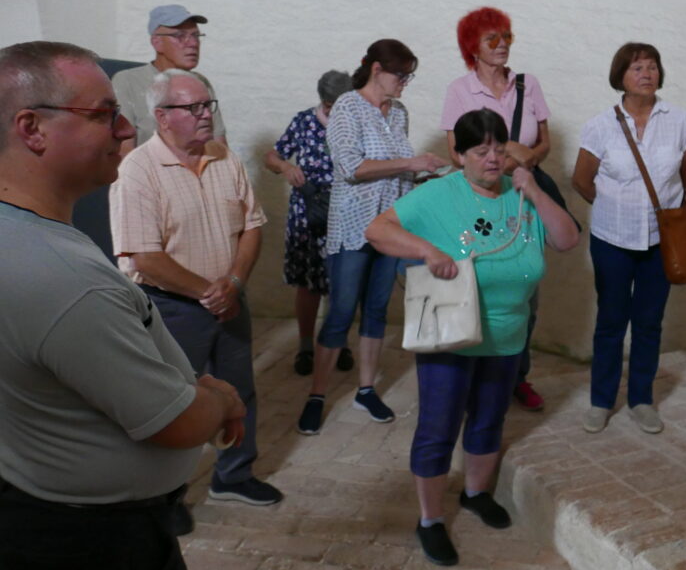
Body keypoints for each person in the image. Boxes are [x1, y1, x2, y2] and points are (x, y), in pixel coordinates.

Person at [0, 41, 246, 570]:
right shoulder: (62, 278)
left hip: (38, 507)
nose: (126, 127)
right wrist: (219, 398)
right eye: (104, 114)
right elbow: (173, 423)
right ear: (32, 128)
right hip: (95, 544)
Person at [365, 109, 578, 566]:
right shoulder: (439, 193)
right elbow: (377, 230)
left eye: (499, 149)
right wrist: (427, 250)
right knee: (439, 425)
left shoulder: (522, 193)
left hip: (509, 332)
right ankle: (430, 520)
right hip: (452, 336)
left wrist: (536, 191)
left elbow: (566, 240)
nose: (493, 158)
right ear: (459, 155)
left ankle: (476, 493)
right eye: (481, 151)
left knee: (489, 418)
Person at [110, 69, 282, 511]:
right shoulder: (137, 170)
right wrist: (211, 292)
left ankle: (234, 475)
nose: (206, 114)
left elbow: (252, 226)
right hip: (170, 307)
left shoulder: (224, 158)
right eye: (193, 107)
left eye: (208, 105)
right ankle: (166, 498)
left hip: (230, 298)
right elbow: (144, 257)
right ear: (162, 117)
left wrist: (235, 283)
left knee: (239, 390)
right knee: (172, 404)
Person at [295, 39, 446, 435]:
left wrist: (421, 176)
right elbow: (351, 168)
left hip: (391, 224)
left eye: (409, 76)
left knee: (377, 309)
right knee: (341, 310)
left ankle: (366, 389)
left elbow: (394, 168)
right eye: (402, 75)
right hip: (353, 224)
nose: (405, 83)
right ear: (377, 70)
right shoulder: (347, 106)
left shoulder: (399, 113)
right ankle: (317, 394)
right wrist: (411, 162)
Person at [571, 42, 686, 435]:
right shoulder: (600, 125)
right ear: (620, 76)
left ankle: (641, 398)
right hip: (612, 238)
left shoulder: (680, 121)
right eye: (637, 67)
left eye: (652, 66)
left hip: (661, 241)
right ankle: (601, 400)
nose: (647, 73)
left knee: (648, 322)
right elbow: (582, 180)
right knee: (610, 320)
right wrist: (615, 206)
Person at [441, 6, 560, 412]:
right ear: (472, 47)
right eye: (492, 38)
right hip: (478, 201)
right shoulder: (460, 90)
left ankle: (516, 376)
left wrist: (524, 159)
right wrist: (512, 154)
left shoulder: (527, 85)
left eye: (507, 36)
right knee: (479, 287)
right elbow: (455, 151)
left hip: (522, 199)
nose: (502, 44)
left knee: (525, 290)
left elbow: (543, 144)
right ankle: (472, 375)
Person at [264, 69, 356, 375]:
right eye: (331, 105)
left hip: (345, 209)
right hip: (307, 209)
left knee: (342, 281)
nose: (336, 111)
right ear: (324, 102)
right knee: (308, 284)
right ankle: (305, 346)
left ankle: (338, 341)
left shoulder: (355, 122)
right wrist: (286, 168)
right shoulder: (304, 121)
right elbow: (272, 157)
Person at [112, 3, 227, 149]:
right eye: (180, 36)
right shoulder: (128, 81)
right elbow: (124, 153)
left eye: (196, 36)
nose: (193, 43)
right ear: (156, 42)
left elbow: (219, 147)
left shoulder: (200, 83)